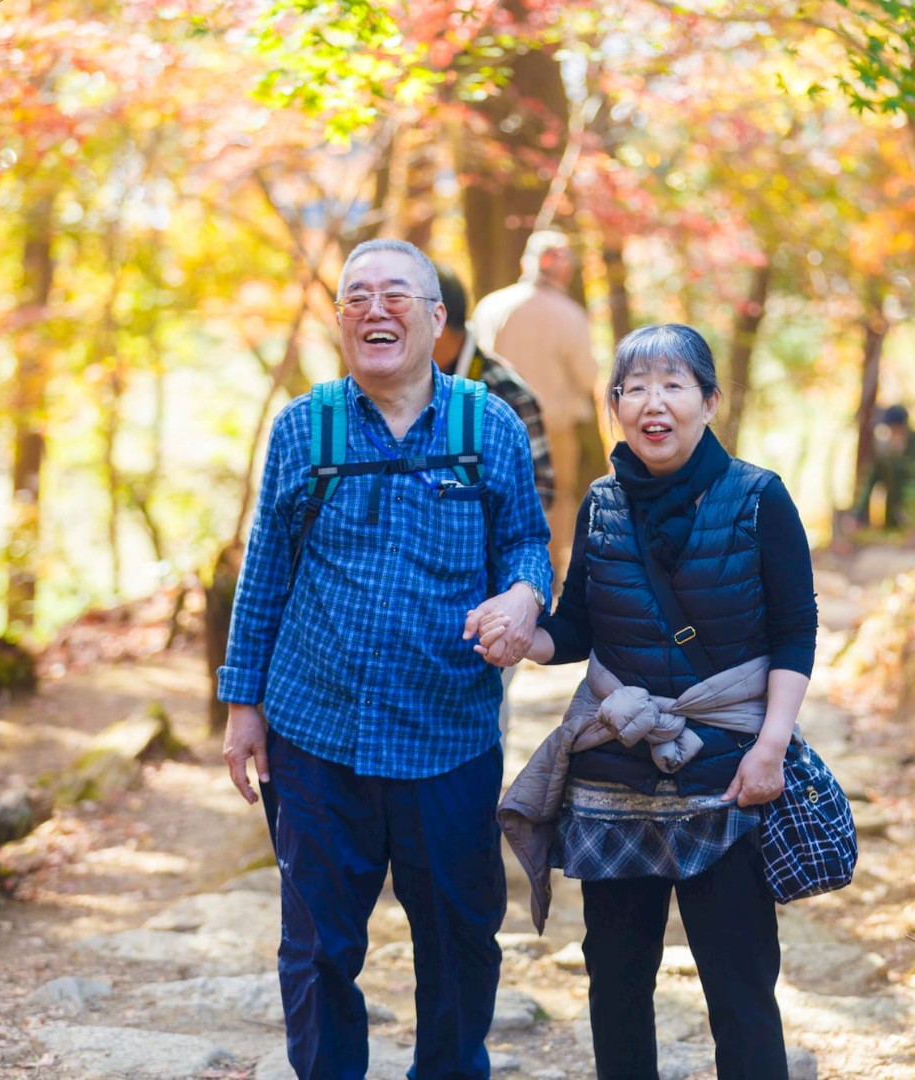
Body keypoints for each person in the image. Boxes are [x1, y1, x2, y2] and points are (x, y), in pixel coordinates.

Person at [217, 239, 552, 1080]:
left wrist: (522, 595)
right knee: (319, 948)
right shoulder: (305, 427)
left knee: (461, 938)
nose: (375, 309)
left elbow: (525, 541)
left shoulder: (489, 424)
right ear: (339, 321)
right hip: (316, 730)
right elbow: (264, 574)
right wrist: (242, 705)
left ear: (437, 319)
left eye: (396, 294)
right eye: (355, 296)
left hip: (448, 732)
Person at [488, 324, 818, 1080]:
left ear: (707, 400)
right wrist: (522, 639)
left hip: (725, 777)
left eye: (672, 385)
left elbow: (795, 631)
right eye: (633, 389)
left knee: (739, 988)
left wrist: (770, 747)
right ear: (613, 406)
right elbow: (573, 626)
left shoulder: (759, 498)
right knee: (615, 983)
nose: (651, 403)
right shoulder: (602, 503)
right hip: (617, 780)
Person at [433, 262, 555, 736]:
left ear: (438, 319)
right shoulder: (393, 387)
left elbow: (539, 495)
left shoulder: (502, 390)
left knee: (482, 722)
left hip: (488, 595)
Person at [471, 230, 600, 587]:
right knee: (553, 504)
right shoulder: (569, 315)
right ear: (563, 270)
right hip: (552, 429)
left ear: (525, 262)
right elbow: (588, 375)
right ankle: (547, 583)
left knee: (491, 500)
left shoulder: (491, 307)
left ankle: (492, 577)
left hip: (488, 428)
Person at [851, 403, 915, 529]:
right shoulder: (889, 445)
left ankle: (914, 521)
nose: (892, 431)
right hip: (897, 496)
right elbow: (878, 471)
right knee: (875, 471)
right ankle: (861, 518)